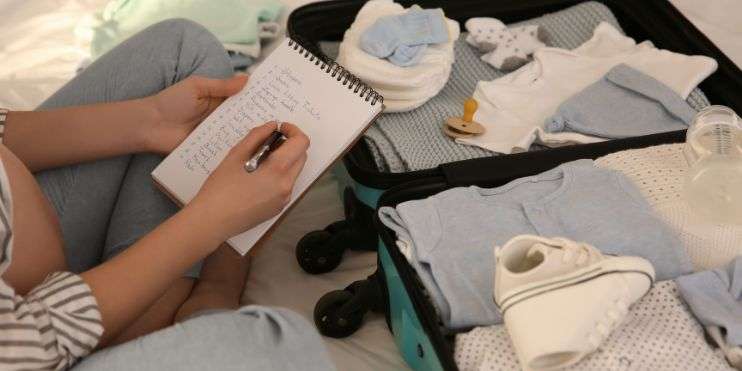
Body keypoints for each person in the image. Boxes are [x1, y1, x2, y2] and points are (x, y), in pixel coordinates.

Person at [0, 19, 335, 371]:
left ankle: (148, 318)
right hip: (35, 343)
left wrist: (150, 121)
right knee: (280, 345)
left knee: (184, 50)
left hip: (29, 277)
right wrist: (211, 219)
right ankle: (208, 302)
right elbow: (25, 346)